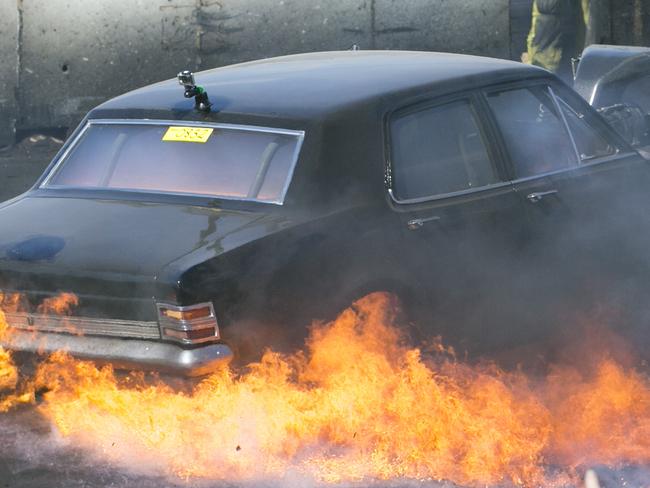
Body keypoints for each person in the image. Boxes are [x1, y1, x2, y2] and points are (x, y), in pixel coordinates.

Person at [525, 0, 588, 81]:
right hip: (541, 55)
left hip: (564, 55)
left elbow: (586, 20)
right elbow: (535, 21)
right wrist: (530, 51)